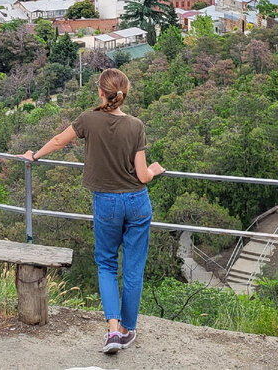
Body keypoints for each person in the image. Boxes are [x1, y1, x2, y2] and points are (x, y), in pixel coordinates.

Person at [21, 68, 164, 354]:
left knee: (107, 265)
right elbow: (143, 175)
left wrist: (33, 155)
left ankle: (112, 332)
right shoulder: (136, 126)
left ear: (100, 92)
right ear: (124, 94)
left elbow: (60, 141)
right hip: (137, 202)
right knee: (133, 269)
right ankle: (127, 330)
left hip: (107, 202)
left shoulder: (88, 119)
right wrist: (154, 170)